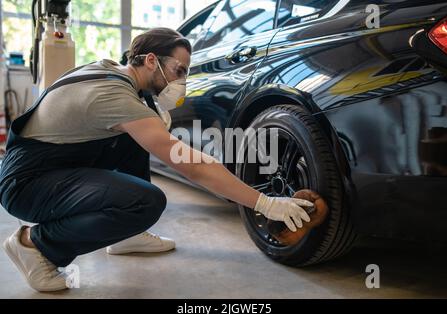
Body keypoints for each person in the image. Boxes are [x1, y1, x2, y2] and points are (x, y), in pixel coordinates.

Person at [0, 28, 313, 292]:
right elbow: (193, 165)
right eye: (179, 71)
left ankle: (126, 236)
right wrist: (264, 203)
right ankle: (35, 244)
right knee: (144, 202)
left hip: (50, 166)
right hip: (27, 183)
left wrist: (151, 113)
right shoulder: (115, 97)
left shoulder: (111, 72)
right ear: (151, 60)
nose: (182, 82)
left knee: (143, 127)